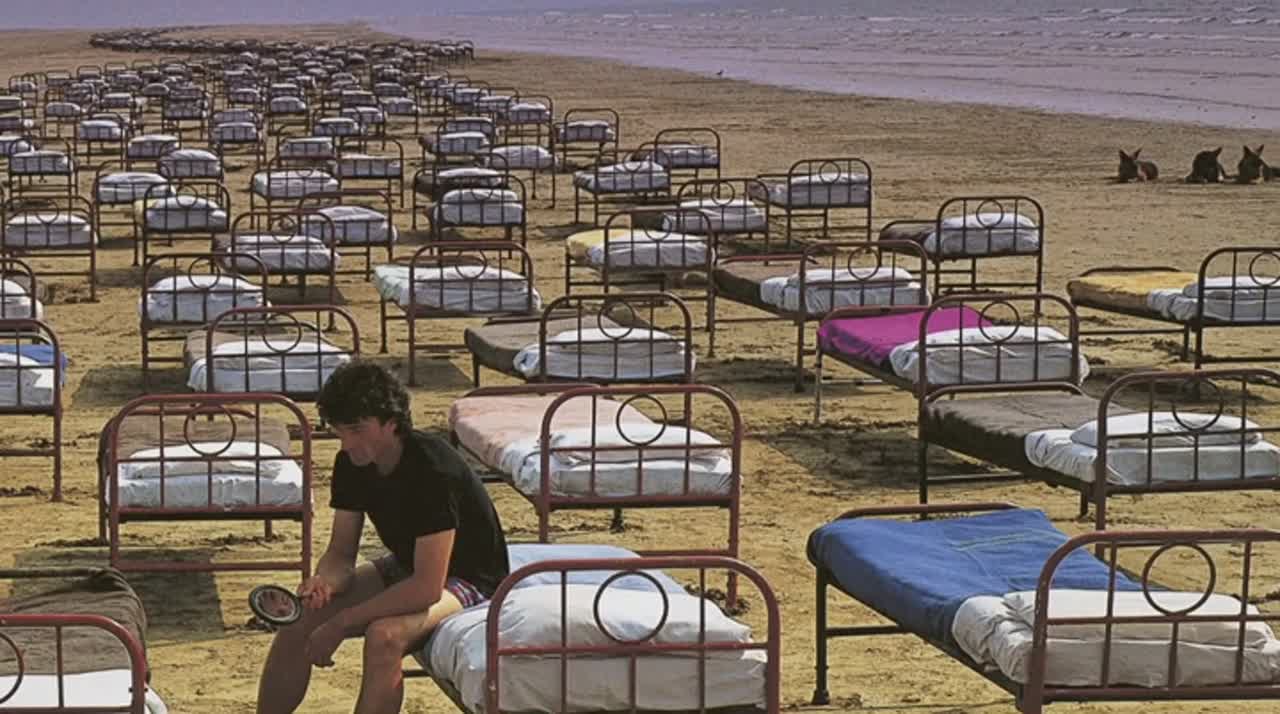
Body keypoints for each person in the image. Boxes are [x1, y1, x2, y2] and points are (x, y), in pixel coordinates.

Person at [257, 361, 509, 714]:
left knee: (384, 637)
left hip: (468, 577)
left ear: (391, 422)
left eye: (357, 429)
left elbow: (427, 587)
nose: (347, 443)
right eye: (340, 431)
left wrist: (341, 622)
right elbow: (341, 552)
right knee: (300, 619)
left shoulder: (432, 469)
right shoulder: (352, 463)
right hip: (409, 564)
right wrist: (324, 583)